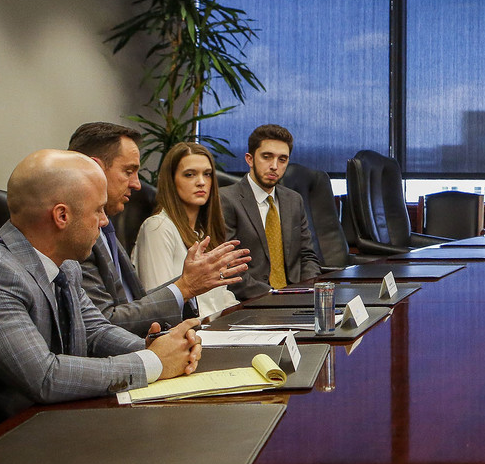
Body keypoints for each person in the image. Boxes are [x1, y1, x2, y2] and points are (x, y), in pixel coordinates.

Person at [0, 150, 202, 438]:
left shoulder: (64, 264)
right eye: (97, 210)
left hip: (44, 425)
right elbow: (44, 377)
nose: (104, 221)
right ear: (62, 215)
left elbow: (95, 331)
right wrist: (153, 362)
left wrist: (154, 346)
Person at [68, 122, 249, 336]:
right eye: (128, 171)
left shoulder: (106, 230)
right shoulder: (78, 237)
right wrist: (185, 287)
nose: (137, 184)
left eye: (208, 174)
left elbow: (137, 303)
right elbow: (106, 324)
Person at [133, 143, 240, 320]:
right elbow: (159, 305)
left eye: (207, 174)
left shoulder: (203, 231)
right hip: (186, 336)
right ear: (171, 181)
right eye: (190, 175)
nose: (201, 182)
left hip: (216, 329)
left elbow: (221, 297)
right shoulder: (157, 227)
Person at [221, 125, 322, 301]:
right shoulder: (226, 200)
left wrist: (306, 291)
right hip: (250, 301)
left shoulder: (294, 200)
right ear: (250, 159)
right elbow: (229, 267)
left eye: (282, 159)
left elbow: (307, 257)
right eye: (267, 157)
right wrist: (272, 296)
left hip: (295, 297)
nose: (274, 166)